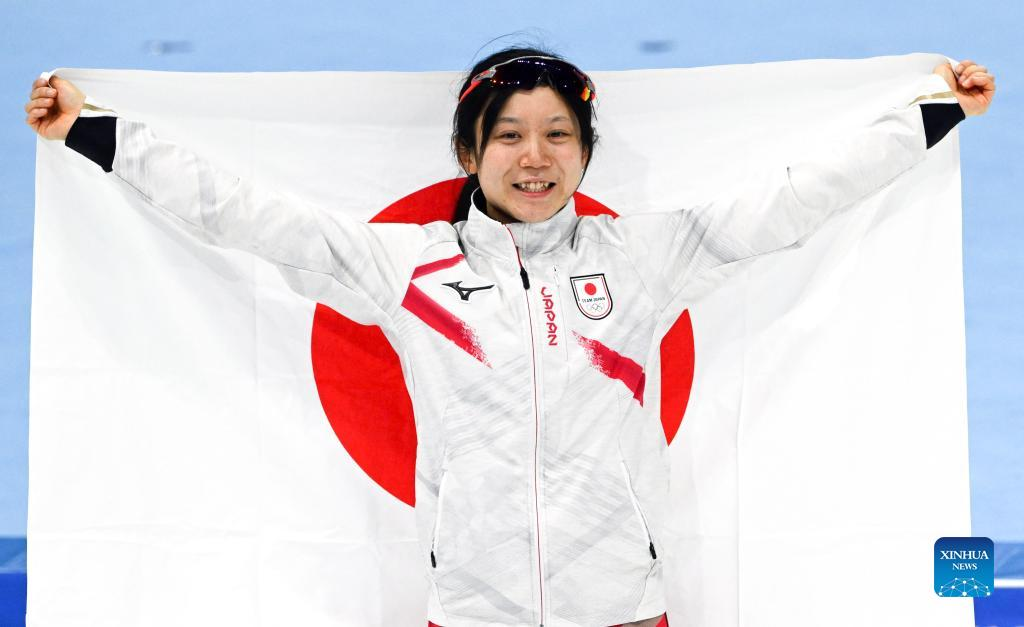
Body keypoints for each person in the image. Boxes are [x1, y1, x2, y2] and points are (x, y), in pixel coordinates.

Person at [25, 48, 994, 627]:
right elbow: (245, 213)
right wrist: (95, 134)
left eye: (558, 135)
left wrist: (936, 110)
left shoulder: (644, 257)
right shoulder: (407, 268)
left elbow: (793, 198)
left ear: (585, 150)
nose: (535, 157)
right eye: (509, 135)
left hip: (623, 607)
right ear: (468, 150)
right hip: (471, 611)